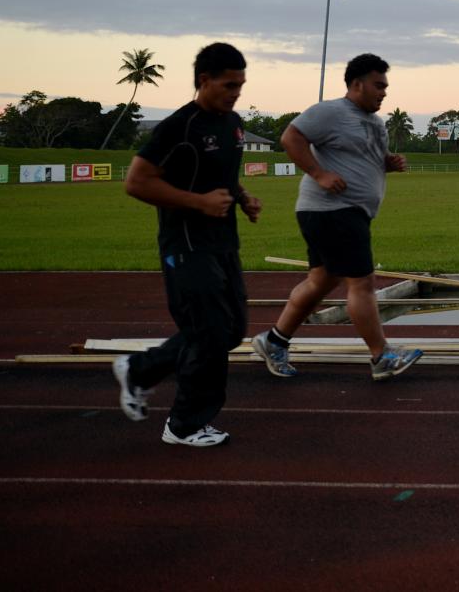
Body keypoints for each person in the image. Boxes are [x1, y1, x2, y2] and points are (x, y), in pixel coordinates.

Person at [115, 43, 258, 447]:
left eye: (241, 85)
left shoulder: (233, 123)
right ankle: (184, 425)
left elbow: (223, 177)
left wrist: (243, 198)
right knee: (209, 332)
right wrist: (199, 203)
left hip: (224, 242)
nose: (236, 92)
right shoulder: (179, 126)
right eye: (229, 84)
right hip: (186, 244)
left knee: (229, 331)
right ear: (204, 81)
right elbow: (137, 182)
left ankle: (140, 370)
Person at [250, 53, 422, 381]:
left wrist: (387, 163)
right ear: (356, 84)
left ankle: (274, 341)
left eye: (386, 86)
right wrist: (319, 173)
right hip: (333, 210)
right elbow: (291, 138)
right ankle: (381, 356)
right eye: (378, 85)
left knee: (321, 281)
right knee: (362, 282)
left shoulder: (375, 123)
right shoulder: (330, 112)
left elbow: (364, 157)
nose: (384, 92)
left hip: (342, 212)